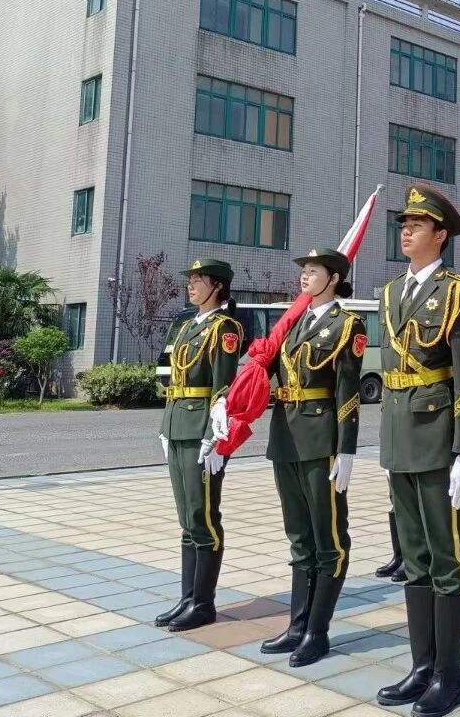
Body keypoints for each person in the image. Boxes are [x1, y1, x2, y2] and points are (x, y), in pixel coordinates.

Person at [375, 186, 460, 717]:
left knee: (448, 559)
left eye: (418, 224)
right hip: (400, 435)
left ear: (440, 235)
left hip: (439, 436)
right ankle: (421, 667)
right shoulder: (391, 292)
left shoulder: (459, 292)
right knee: (414, 559)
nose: (406, 229)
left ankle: (450, 675)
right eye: (404, 223)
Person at [255, 248, 365, 666]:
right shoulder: (293, 321)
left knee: (329, 539)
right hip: (285, 435)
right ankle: (297, 624)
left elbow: (347, 390)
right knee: (299, 536)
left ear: (333, 278)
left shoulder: (346, 324)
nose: (304, 277)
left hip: (321, 440)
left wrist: (347, 449)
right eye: (303, 271)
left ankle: (317, 631)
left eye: (313, 271)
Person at [156, 259, 243, 633]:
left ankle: (203, 603)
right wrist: (166, 426)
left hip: (200, 431)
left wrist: (215, 439)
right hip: (178, 425)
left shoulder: (226, 329)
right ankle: (187, 597)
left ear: (218, 287)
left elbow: (224, 390)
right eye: (189, 280)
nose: (191, 286)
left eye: (198, 280)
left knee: (204, 517)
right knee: (187, 519)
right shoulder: (190, 325)